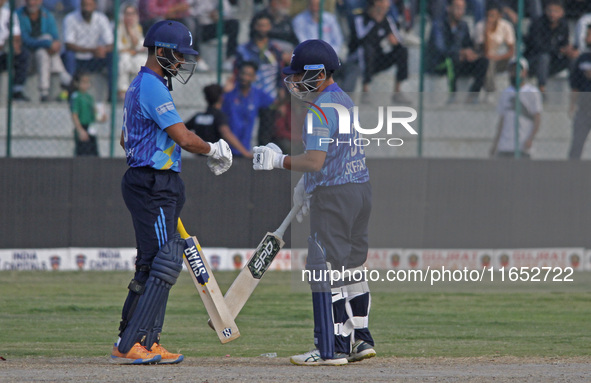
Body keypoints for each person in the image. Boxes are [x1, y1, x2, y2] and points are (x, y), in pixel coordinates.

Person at [111, 20, 232, 365]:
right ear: (161, 51)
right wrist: (214, 149)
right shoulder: (151, 87)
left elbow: (125, 139)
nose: (181, 62)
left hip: (151, 181)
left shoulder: (143, 85)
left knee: (154, 263)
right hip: (154, 183)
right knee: (160, 264)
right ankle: (134, 342)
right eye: (178, 55)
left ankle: (138, 340)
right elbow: (183, 138)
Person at [252, 39, 376, 366]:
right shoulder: (344, 100)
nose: (293, 82)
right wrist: (308, 183)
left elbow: (315, 160)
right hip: (360, 190)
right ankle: (360, 339)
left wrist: (279, 162)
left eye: (298, 75)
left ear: (318, 74)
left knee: (325, 270)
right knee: (351, 268)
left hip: (335, 196)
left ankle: (331, 348)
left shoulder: (320, 108)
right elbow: (338, 151)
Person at [427, 0, 489, 103]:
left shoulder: (463, 26)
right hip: (440, 63)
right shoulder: (438, 25)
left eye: (462, 8)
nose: (461, 11)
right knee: (451, 60)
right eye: (457, 8)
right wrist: (460, 52)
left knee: (483, 61)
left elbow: (468, 45)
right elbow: (440, 49)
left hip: (458, 62)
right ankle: (453, 95)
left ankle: (473, 95)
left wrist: (471, 53)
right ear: (449, 8)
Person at [236, 13, 283, 146]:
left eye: (265, 26)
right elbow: (237, 71)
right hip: (248, 94)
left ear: (270, 27)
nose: (263, 29)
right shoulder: (244, 49)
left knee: (266, 134)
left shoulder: (275, 49)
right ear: (254, 27)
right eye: (260, 25)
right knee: (244, 130)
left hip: (269, 96)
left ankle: (263, 161)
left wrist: (281, 92)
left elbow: (280, 73)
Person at [348, 0, 410, 102]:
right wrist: (375, 22)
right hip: (359, 58)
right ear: (377, 3)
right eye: (385, 2)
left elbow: (397, 39)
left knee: (402, 50)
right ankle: (365, 90)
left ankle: (397, 91)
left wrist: (393, 40)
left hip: (378, 58)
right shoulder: (361, 17)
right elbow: (361, 37)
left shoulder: (387, 20)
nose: (388, 5)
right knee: (368, 49)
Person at [17, 0, 71, 102]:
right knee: (44, 43)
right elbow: (25, 40)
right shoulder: (18, 15)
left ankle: (44, 92)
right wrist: (47, 44)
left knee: (42, 51)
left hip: (45, 55)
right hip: (28, 55)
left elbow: (55, 37)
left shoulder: (47, 15)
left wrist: (52, 44)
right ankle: (63, 76)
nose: (31, 3)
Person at [490, 57, 542, 158]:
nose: (515, 73)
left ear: (525, 72)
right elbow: (502, 120)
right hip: (505, 146)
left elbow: (537, 118)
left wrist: (530, 138)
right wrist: (495, 144)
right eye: (512, 70)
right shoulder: (505, 93)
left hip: (523, 146)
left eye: (518, 70)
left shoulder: (532, 92)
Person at [524, 0, 577, 96]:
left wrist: (568, 50)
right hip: (535, 62)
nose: (552, 14)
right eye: (550, 11)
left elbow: (564, 43)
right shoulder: (537, 24)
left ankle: (575, 89)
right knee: (544, 57)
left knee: (572, 58)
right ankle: (541, 89)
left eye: (556, 11)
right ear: (545, 11)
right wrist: (559, 50)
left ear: (562, 13)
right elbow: (538, 47)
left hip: (554, 61)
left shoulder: (564, 25)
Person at [186, 83, 253, 158]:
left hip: (199, 158)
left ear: (205, 98)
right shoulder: (219, 116)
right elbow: (226, 133)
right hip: (214, 159)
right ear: (221, 98)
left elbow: (183, 130)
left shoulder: (198, 117)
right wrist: (245, 153)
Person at [222, 61, 274, 156]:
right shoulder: (229, 93)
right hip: (225, 150)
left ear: (254, 77)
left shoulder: (257, 94)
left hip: (245, 149)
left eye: (249, 75)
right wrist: (222, 92)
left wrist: (289, 95)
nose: (245, 77)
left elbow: (275, 104)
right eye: (243, 73)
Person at [473, 1, 515, 95]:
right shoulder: (480, 26)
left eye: (493, 15)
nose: (489, 18)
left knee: (515, 63)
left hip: (503, 59)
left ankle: (514, 92)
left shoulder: (506, 26)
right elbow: (485, 52)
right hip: (486, 60)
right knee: (488, 62)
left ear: (499, 16)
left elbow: (511, 51)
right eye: (488, 15)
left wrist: (497, 57)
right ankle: (490, 91)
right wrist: (486, 33)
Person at [63, 0, 113, 76]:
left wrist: (103, 50)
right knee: (69, 54)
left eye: (89, 5)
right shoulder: (70, 18)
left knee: (112, 55)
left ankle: (112, 87)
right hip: (77, 58)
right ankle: (70, 84)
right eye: (84, 5)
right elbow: (68, 44)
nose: (86, 8)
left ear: (95, 6)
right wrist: (92, 50)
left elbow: (110, 43)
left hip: (95, 58)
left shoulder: (102, 19)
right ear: (80, 6)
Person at [189, 0, 239, 71]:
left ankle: (229, 58)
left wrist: (219, 14)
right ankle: (198, 59)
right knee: (194, 25)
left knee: (234, 23)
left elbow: (228, 11)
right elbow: (188, 9)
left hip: (212, 26)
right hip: (199, 25)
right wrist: (206, 14)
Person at [568, 25, 591, 159]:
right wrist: (572, 104)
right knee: (577, 144)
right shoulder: (582, 59)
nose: (587, 38)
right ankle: (572, 174)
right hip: (584, 109)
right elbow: (575, 85)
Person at [0, 0, 31, 101]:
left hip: (5, 52)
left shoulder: (9, 14)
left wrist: (12, 44)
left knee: (23, 54)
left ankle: (17, 91)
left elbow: (16, 35)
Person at [116, 3, 148, 100]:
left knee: (142, 61)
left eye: (132, 14)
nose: (130, 17)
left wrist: (131, 31)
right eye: (128, 14)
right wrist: (131, 50)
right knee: (124, 61)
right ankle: (123, 91)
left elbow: (140, 45)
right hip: (122, 55)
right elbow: (118, 47)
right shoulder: (118, 27)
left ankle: (138, 90)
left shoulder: (137, 27)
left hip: (134, 55)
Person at [70, 71, 106, 156]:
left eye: (88, 82)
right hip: (82, 126)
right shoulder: (76, 96)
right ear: (77, 83)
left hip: (91, 127)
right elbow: (74, 114)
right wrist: (80, 130)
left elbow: (95, 114)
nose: (86, 84)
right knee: (82, 152)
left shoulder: (89, 97)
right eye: (83, 82)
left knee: (93, 152)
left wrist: (101, 117)